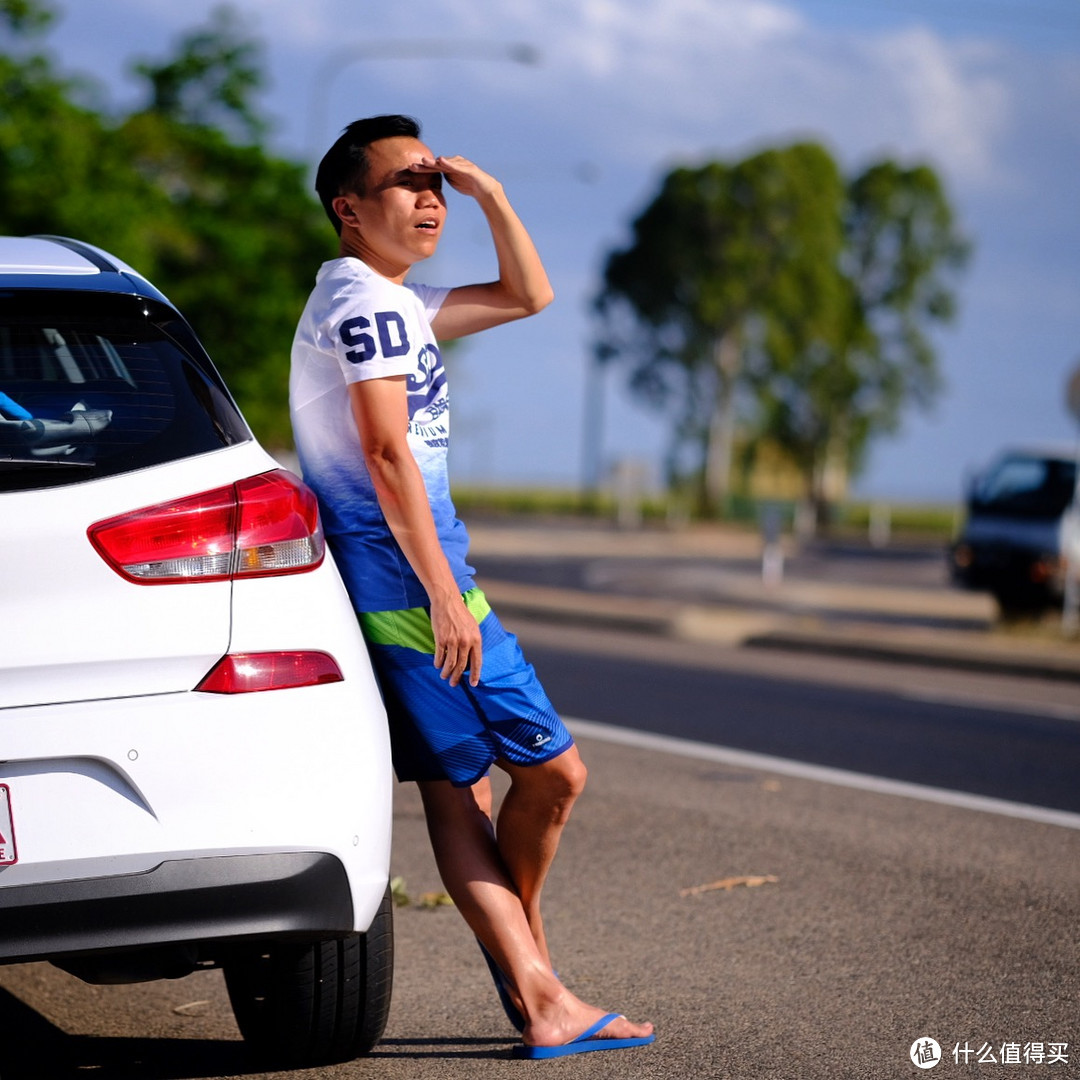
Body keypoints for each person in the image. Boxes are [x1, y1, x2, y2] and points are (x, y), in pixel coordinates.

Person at [289, 114, 654, 1060]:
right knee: (533, 777)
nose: (427, 198)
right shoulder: (363, 304)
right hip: (408, 578)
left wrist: (488, 192)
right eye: (406, 183)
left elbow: (530, 294)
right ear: (347, 208)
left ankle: (530, 976)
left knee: (476, 794)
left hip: (417, 571)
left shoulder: (393, 302)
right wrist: (443, 593)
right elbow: (381, 449)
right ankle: (537, 981)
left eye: (435, 183)